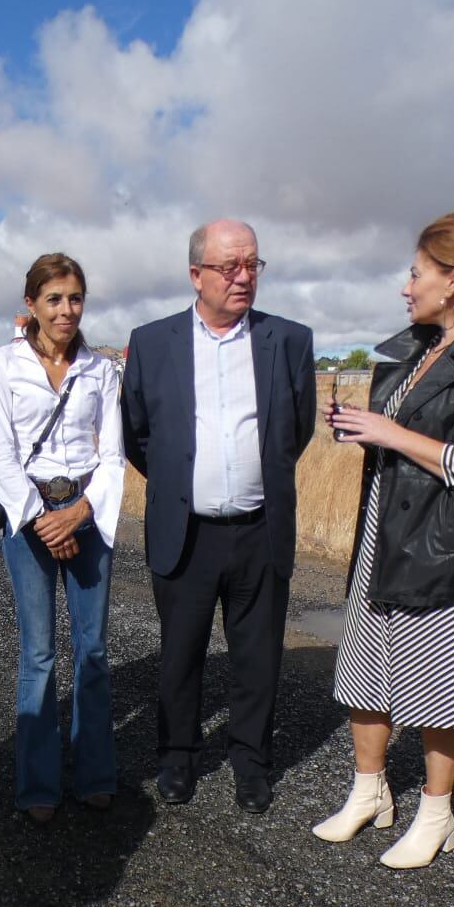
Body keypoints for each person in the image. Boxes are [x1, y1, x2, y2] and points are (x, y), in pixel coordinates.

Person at [316, 208, 454, 868]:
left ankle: (436, 814)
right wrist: (362, 428)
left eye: (415, 273)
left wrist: (390, 435)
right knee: (362, 669)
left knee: (436, 682)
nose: (405, 286)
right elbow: (397, 435)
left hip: (446, 542)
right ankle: (369, 793)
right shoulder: (412, 349)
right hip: (385, 529)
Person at [122, 219, 317, 814]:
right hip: (187, 531)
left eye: (252, 265)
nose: (243, 277)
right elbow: (137, 434)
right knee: (180, 655)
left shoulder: (289, 340)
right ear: (195, 274)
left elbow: (296, 430)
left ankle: (250, 764)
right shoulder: (153, 343)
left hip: (260, 530)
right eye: (229, 266)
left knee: (257, 659)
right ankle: (177, 757)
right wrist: (185, 484)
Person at [0, 253, 125, 824]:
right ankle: (38, 784)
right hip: (29, 516)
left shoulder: (101, 370)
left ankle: (95, 773)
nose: (67, 310)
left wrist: (81, 513)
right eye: (54, 299)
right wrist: (45, 518)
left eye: (75, 298)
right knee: (38, 653)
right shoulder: (2, 364)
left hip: (88, 514)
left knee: (92, 650)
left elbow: (113, 455)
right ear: (31, 305)